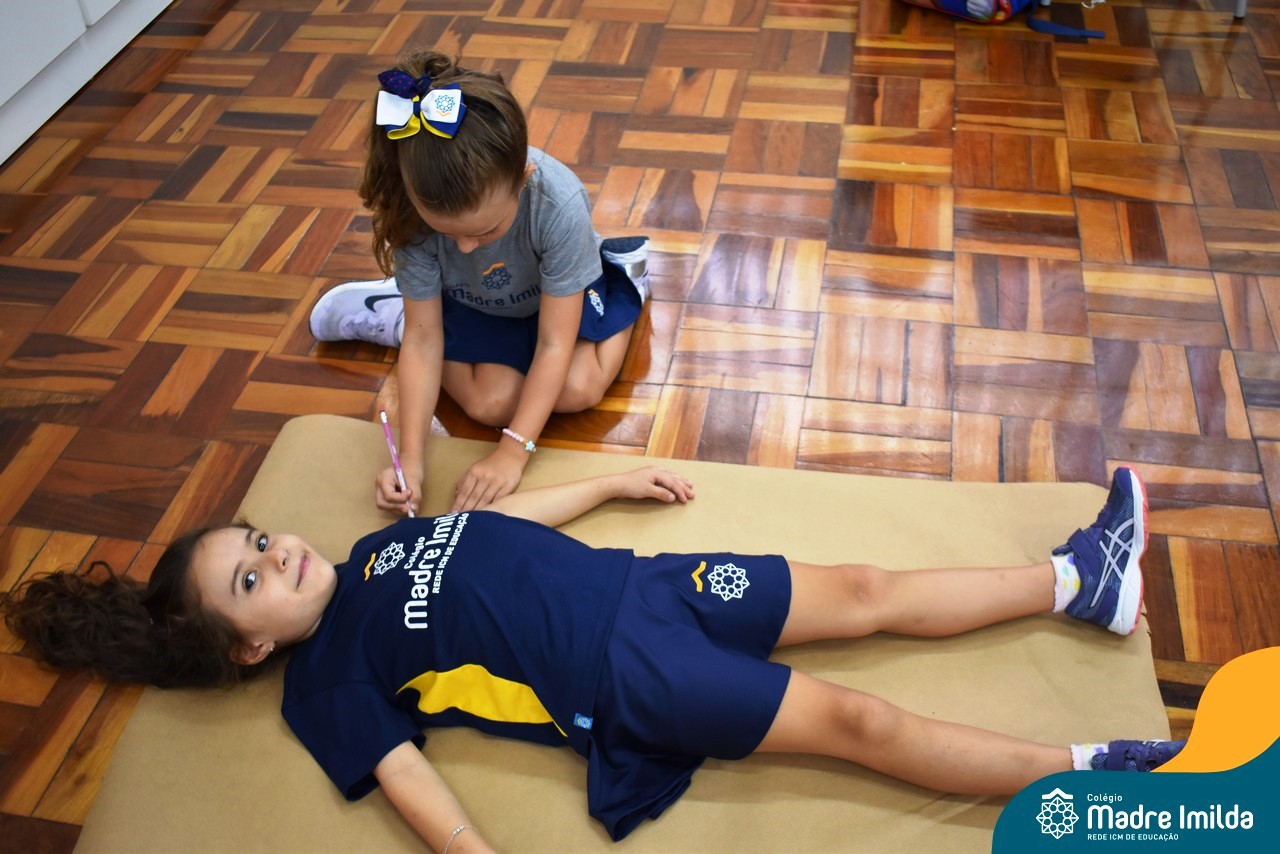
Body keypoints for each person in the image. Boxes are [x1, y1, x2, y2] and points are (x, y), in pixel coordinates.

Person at [2, 465, 1184, 853]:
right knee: (859, 723)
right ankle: (1091, 784)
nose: (278, 554)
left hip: (653, 584)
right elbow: (408, 779)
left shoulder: (372, 549)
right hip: (627, 678)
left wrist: (609, 480)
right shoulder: (324, 683)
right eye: (251, 579)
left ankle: (1079, 579)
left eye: (258, 540)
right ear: (251, 640)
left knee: (865, 589)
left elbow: (502, 526)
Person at [307, 49, 649, 515]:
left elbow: (554, 343)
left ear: (523, 179)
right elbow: (426, 341)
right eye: (449, 234)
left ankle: (625, 274)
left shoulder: (558, 203)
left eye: (485, 232)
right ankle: (401, 314)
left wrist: (513, 452)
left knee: (581, 389)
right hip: (475, 301)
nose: (466, 249)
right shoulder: (409, 209)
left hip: (554, 301)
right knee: (489, 405)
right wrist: (411, 460)